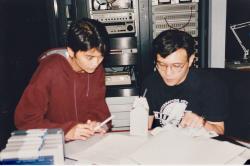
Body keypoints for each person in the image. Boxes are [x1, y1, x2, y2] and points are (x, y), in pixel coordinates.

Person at [15, 17, 111, 141]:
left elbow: (99, 109)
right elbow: (25, 120)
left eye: (101, 57)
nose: (96, 63)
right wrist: (65, 131)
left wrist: (97, 123)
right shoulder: (50, 69)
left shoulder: (97, 69)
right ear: (71, 51)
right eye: (89, 57)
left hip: (86, 143)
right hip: (53, 143)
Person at [143, 30, 228, 135]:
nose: (168, 73)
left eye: (177, 65)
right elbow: (144, 130)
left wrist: (202, 123)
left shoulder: (211, 84)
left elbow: (219, 131)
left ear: (191, 60)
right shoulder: (150, 83)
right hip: (163, 146)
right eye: (162, 65)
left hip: (198, 148)